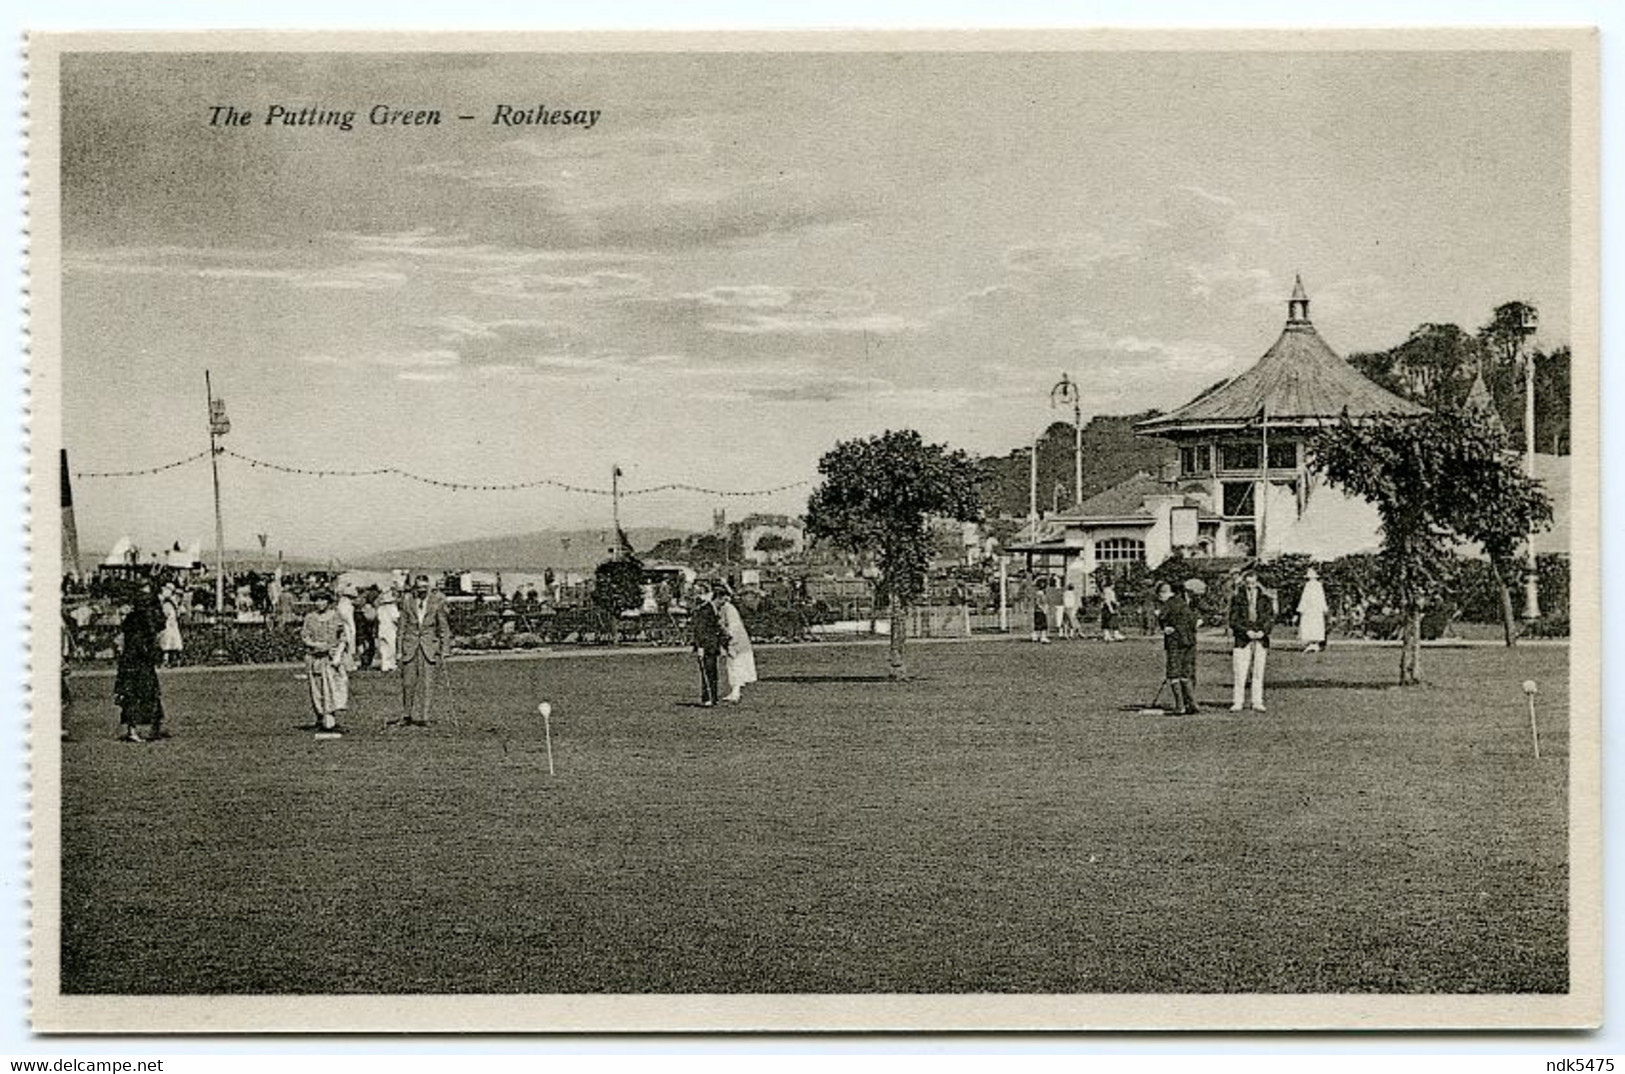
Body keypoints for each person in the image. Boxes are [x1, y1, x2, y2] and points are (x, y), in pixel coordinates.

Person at [397, 574, 452, 727]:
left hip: (429, 647)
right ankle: (406, 715)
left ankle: (425, 716)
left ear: (428, 588)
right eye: (418, 588)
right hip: (410, 646)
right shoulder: (407, 602)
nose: (421, 591)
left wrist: (445, 648)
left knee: (428, 683)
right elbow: (401, 627)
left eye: (424, 588)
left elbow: (443, 628)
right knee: (408, 683)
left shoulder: (436, 603)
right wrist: (399, 650)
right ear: (415, 588)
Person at [113, 588, 166, 741]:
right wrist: (152, 654)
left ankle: (143, 728)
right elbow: (141, 644)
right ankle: (136, 730)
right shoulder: (141, 621)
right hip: (138, 664)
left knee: (138, 695)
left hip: (131, 663)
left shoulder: (133, 620)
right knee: (140, 695)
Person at [301, 589, 348, 733]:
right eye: (317, 600)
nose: (320, 603)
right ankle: (320, 717)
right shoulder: (310, 617)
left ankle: (330, 716)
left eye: (323, 600)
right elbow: (305, 636)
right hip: (315, 658)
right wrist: (315, 644)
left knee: (333, 687)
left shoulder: (336, 616)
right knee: (317, 688)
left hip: (331, 658)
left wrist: (339, 653)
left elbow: (343, 636)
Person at [1229, 570, 1275, 712]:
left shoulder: (1265, 600)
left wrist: (1263, 631)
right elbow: (1233, 620)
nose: (1250, 587)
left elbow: (1270, 619)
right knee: (1240, 672)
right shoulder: (1237, 599)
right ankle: (1238, 702)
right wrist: (1246, 631)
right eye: (1248, 583)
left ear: (1257, 583)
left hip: (1261, 640)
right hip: (1243, 640)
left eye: (1253, 584)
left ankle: (1257, 701)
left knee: (1258, 672)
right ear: (1244, 583)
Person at [1155, 581, 1199, 715]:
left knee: (1173, 673)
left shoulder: (1168, 604)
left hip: (1175, 642)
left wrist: (1163, 625)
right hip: (1190, 643)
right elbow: (1195, 621)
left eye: (1160, 595)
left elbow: (1162, 617)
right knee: (1186, 673)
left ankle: (1180, 705)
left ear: (1164, 593)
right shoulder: (1184, 603)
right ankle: (1192, 704)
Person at [689, 582, 729, 707]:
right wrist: (700, 647)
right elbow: (699, 630)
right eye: (724, 600)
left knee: (713, 672)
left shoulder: (713, 610)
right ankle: (708, 698)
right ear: (718, 598)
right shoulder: (705, 610)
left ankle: (713, 697)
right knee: (707, 673)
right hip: (705, 646)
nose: (724, 603)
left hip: (712, 646)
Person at [718, 586, 757, 703]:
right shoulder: (725, 608)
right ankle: (735, 691)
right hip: (736, 641)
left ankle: (735, 693)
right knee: (734, 666)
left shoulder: (728, 608)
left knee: (735, 666)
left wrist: (730, 642)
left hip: (736, 642)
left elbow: (733, 627)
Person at [1296, 566, 1328, 653]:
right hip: (1313, 610)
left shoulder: (1312, 586)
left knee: (1311, 625)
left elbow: (1305, 598)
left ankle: (1313, 644)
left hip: (1312, 610)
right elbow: (1321, 598)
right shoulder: (1315, 585)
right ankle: (1313, 644)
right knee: (1313, 625)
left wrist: (1301, 609)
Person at [157, 582, 184, 667]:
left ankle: (173, 660)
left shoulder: (172, 603)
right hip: (168, 625)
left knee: (173, 643)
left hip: (172, 625)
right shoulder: (167, 604)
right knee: (167, 643)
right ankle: (167, 660)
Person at [374, 587, 400, 672]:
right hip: (390, 629)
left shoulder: (380, 609)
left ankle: (384, 664)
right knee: (392, 647)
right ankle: (391, 664)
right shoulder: (392, 608)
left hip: (382, 629)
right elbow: (395, 618)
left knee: (383, 648)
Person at [356, 588, 379, 670]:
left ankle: (366, 663)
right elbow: (370, 619)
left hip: (366, 632)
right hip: (365, 632)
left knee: (368, 648)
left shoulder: (366, 608)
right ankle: (365, 664)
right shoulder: (368, 608)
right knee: (367, 648)